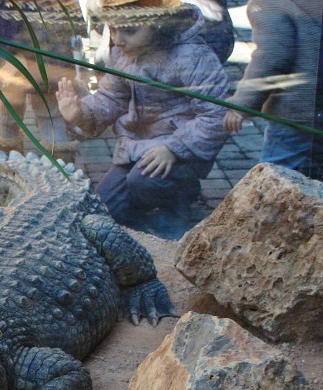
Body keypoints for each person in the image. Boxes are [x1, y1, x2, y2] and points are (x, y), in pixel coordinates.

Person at [57, 0, 230, 239]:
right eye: (113, 29)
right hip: (137, 146)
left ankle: (178, 207)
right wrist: (82, 113)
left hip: (179, 149)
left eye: (129, 30)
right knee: (106, 206)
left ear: (158, 23)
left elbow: (217, 113)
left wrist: (175, 148)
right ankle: (144, 231)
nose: (118, 39)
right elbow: (112, 96)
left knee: (144, 182)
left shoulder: (192, 55)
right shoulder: (124, 54)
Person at [223, 0, 322, 180]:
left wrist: (242, 105)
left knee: (276, 177)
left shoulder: (270, 3)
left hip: (297, 112)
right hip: (315, 109)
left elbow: (271, 58)